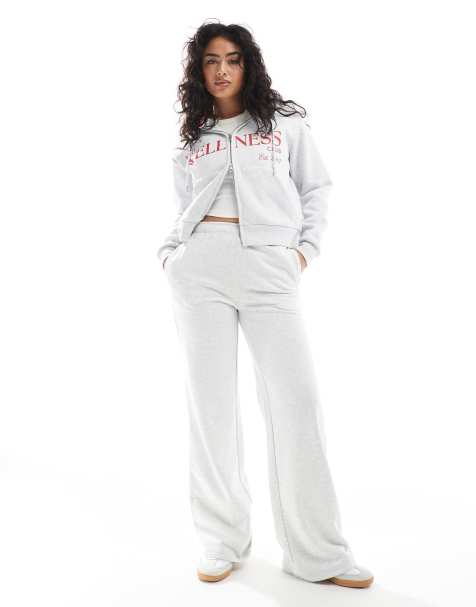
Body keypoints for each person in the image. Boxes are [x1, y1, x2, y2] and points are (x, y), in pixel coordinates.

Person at [157, 21, 374, 589]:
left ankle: (318, 552)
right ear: (198, 70)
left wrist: (304, 251)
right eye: (211, 60)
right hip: (200, 269)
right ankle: (221, 540)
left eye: (232, 59)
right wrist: (172, 255)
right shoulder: (193, 137)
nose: (222, 70)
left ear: (248, 65)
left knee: (295, 404)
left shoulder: (283, 125)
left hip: (270, 267)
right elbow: (183, 205)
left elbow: (316, 188)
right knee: (211, 408)